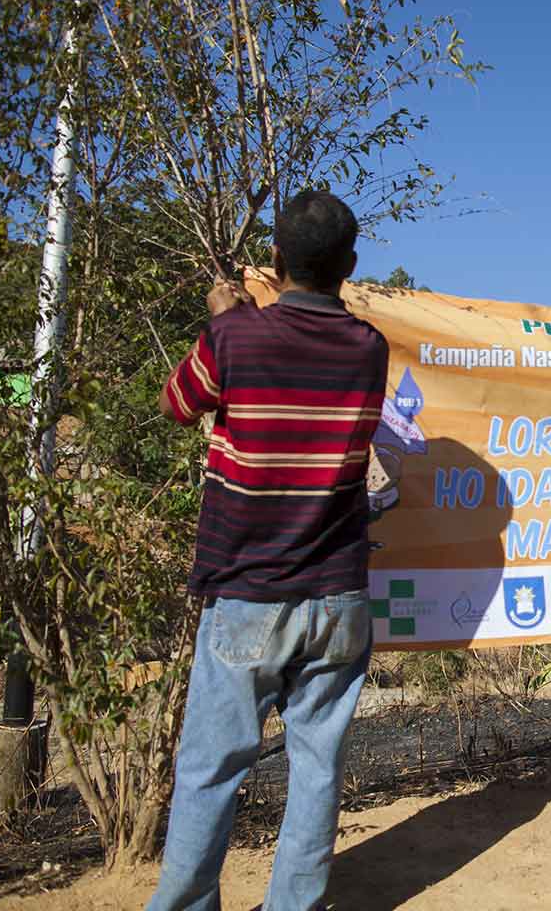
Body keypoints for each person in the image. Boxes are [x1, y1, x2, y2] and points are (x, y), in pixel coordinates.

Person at [150, 191, 389, 910]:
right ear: (349, 266)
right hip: (338, 593)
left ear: (275, 260)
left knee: (211, 769)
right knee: (317, 768)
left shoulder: (236, 340)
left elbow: (177, 403)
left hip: (249, 593)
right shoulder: (369, 349)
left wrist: (224, 320)